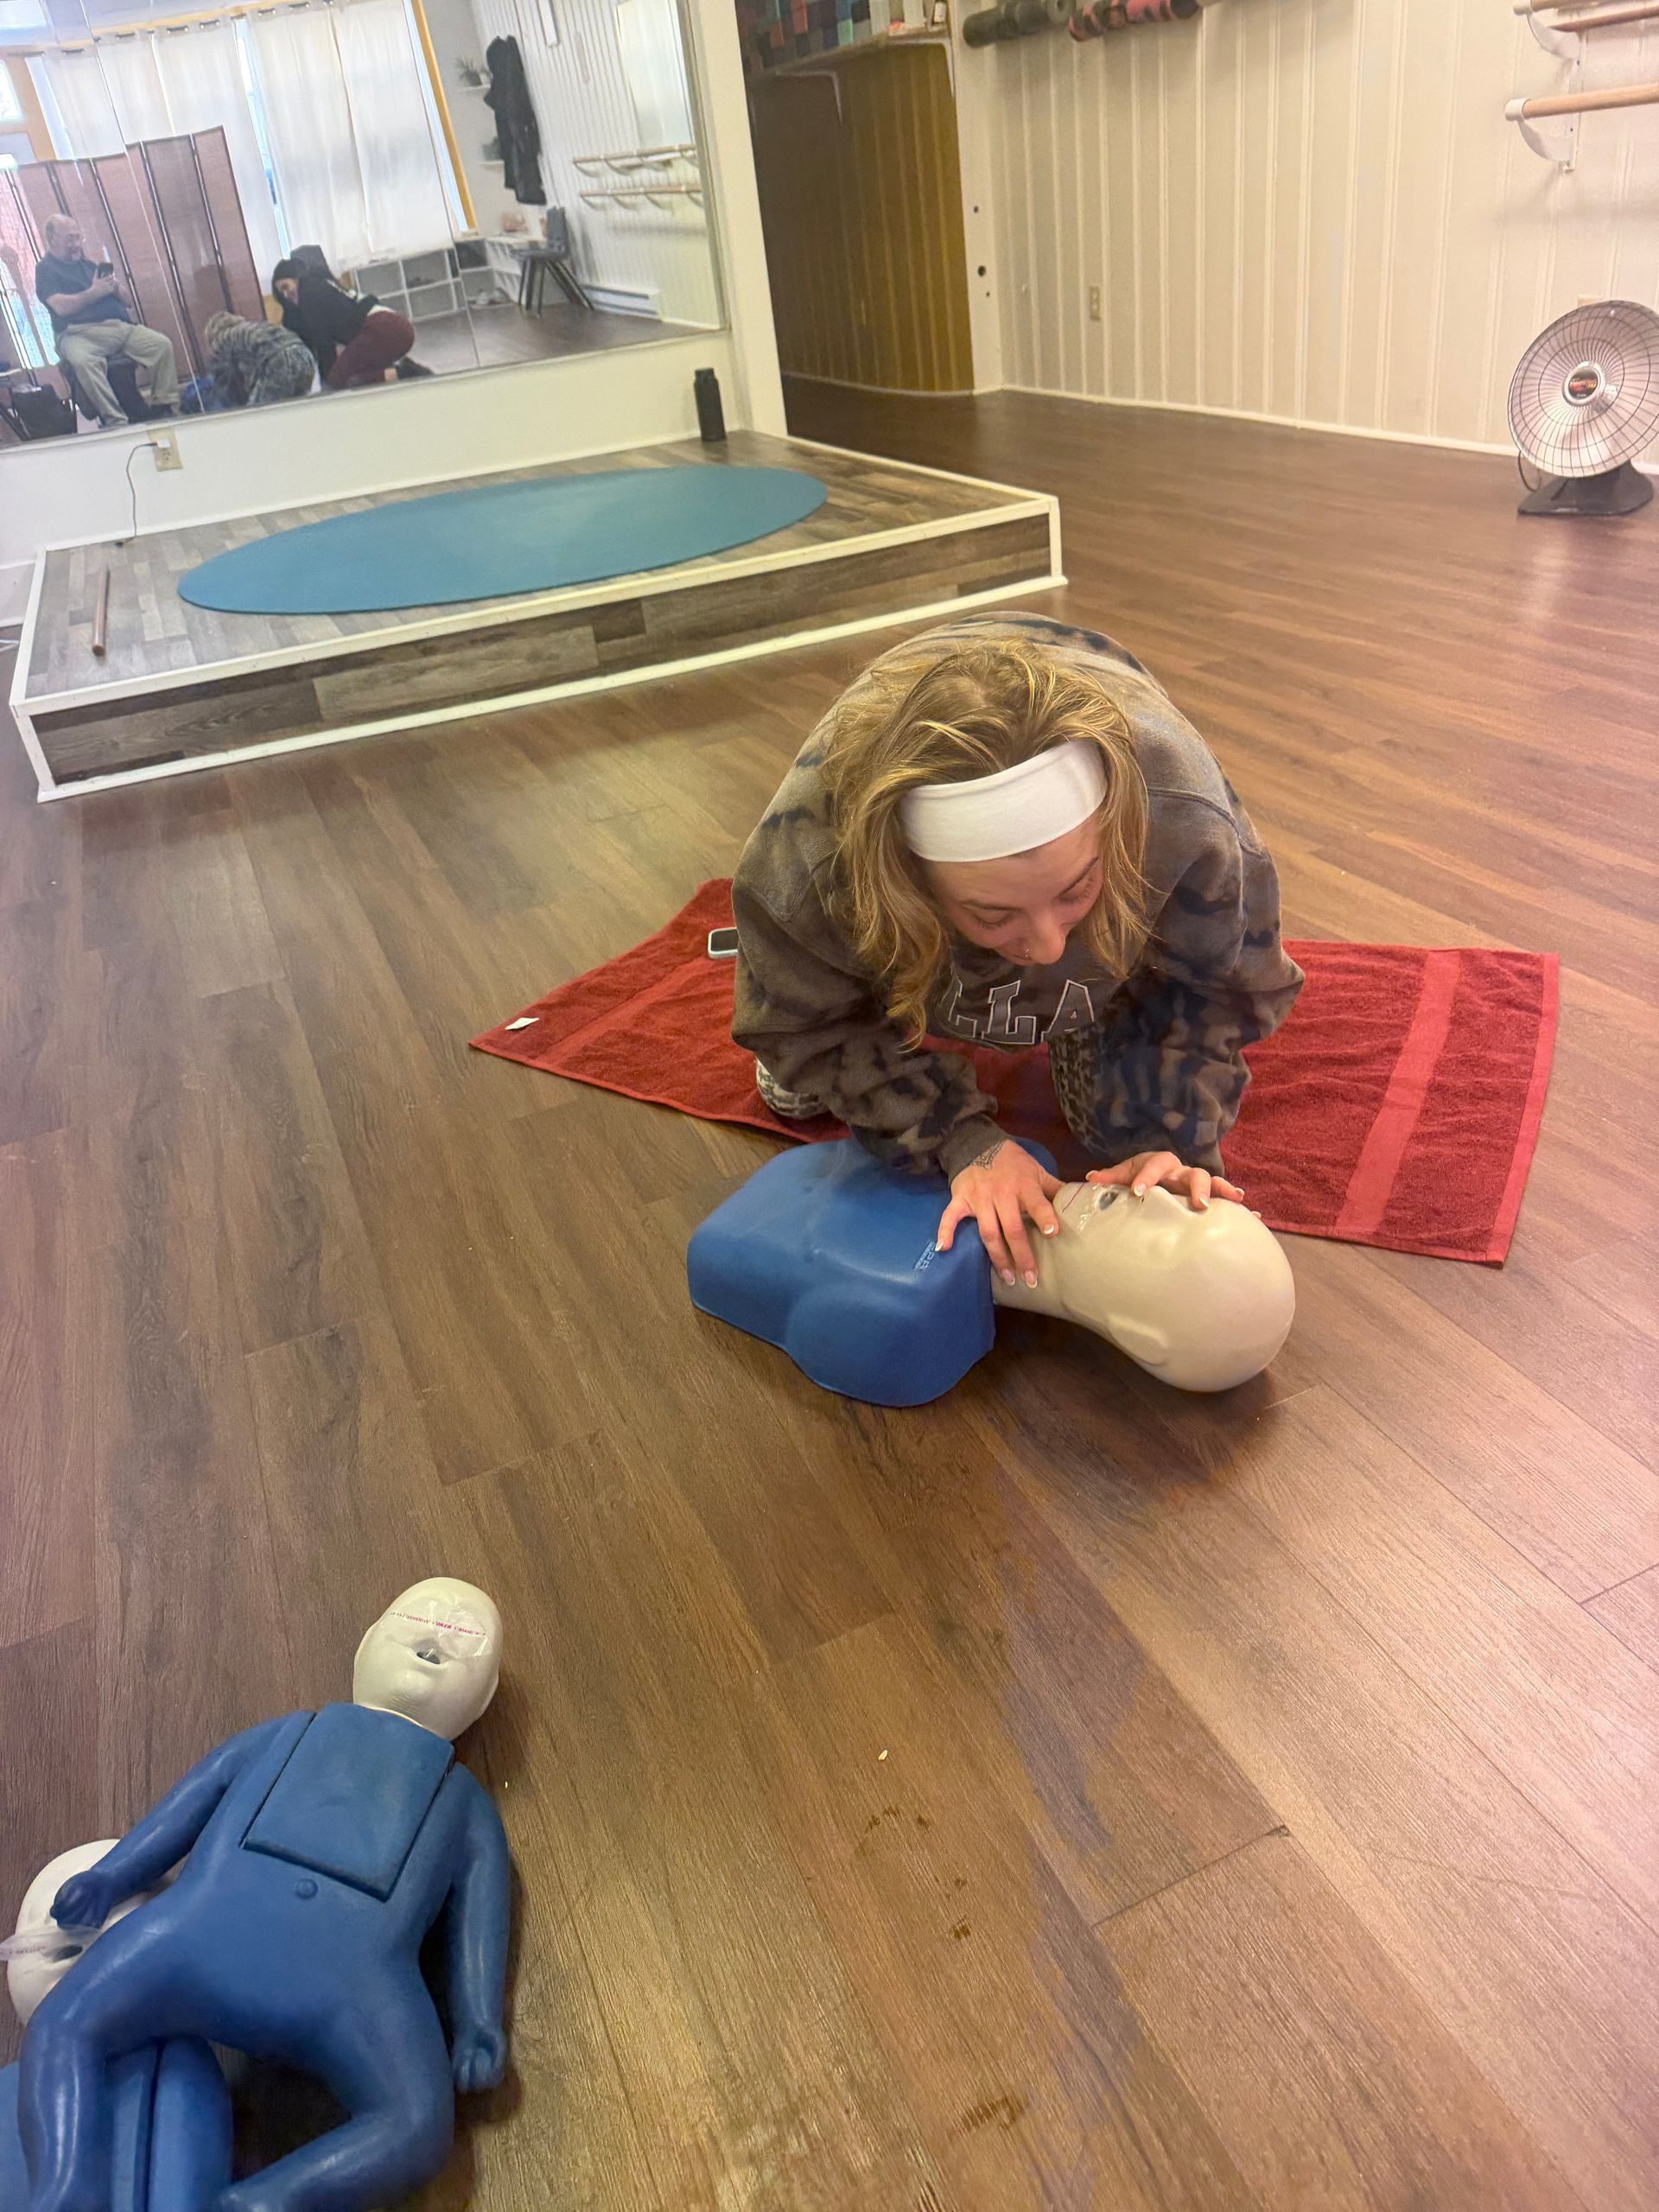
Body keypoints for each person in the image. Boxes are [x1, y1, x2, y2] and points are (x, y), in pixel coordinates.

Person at [731, 612, 1305, 1291]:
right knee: (802, 1090)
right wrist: (957, 1140)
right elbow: (803, 1024)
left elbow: (1222, 987)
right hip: (877, 915)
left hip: (1128, 814)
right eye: (994, 912)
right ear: (906, 881)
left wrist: (1170, 1138)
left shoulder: (1183, 819)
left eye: (1075, 889)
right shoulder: (809, 867)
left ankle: (1084, 997)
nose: (1048, 944)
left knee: (1116, 1124)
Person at [33, 213, 179, 428]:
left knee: (161, 345)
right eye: (69, 239)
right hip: (78, 334)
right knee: (84, 363)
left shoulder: (90, 266)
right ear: (52, 238)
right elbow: (61, 307)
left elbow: (128, 302)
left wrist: (115, 287)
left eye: (78, 238)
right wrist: (95, 292)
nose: (76, 245)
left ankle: (165, 405)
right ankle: (116, 421)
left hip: (118, 327)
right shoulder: (45, 270)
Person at [271, 257, 416, 389]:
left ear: (297, 279)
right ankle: (403, 370)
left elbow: (323, 341)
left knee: (339, 379)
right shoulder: (323, 284)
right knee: (357, 371)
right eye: (280, 293)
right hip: (394, 325)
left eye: (286, 287)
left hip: (382, 327)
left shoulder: (309, 292)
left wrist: (328, 379)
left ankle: (407, 373)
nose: (285, 295)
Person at [204, 308, 316, 409]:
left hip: (278, 360)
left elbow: (224, 383)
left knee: (258, 415)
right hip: (304, 354)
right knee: (298, 408)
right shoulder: (252, 328)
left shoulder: (223, 339)